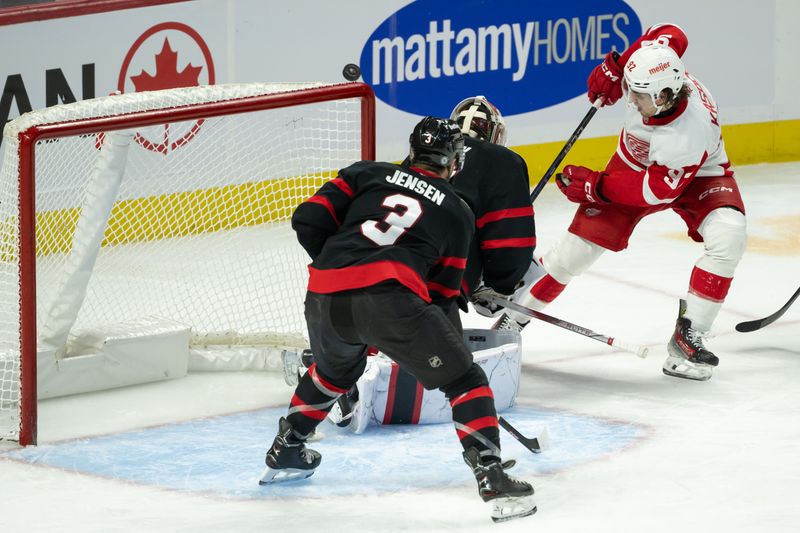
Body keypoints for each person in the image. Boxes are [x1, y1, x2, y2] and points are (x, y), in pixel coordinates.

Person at [260, 117, 536, 523]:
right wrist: (443, 352)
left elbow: (307, 219)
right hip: (390, 300)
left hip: (323, 293)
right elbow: (441, 296)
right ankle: (491, 475)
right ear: (454, 162)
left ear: (412, 151)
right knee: (466, 381)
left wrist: (342, 269)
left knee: (334, 372)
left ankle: (288, 445)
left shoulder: (365, 172)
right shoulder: (458, 210)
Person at [495, 23, 747, 382]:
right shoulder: (660, 72)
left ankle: (689, 336)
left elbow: (656, 191)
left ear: (662, 98)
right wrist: (618, 66)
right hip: (633, 167)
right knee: (571, 256)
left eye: (638, 95)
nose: (630, 100)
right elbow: (671, 32)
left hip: (696, 175)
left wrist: (596, 187)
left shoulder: (686, 135)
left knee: (729, 235)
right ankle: (513, 318)